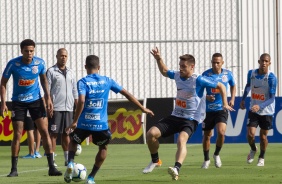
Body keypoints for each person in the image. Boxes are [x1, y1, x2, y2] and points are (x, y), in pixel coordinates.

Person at [142, 47, 235, 180]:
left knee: (181, 140)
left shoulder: (199, 80)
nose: (180, 69)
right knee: (151, 134)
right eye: (180, 66)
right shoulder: (178, 76)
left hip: (190, 119)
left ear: (192, 67)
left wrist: (225, 103)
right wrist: (158, 59)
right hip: (175, 116)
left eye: (184, 66)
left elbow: (221, 86)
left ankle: (176, 168)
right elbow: (164, 71)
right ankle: (155, 160)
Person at [63, 55, 154, 184]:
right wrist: (142, 108)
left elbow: (81, 100)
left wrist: (75, 121)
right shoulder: (107, 81)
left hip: (84, 123)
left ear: (85, 67)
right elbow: (126, 94)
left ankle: (71, 162)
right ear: (99, 67)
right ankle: (91, 177)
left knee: (73, 142)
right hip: (100, 124)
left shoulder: (83, 82)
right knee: (103, 148)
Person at [0, 39, 62, 177]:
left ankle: (52, 167)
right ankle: (14, 169)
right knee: (17, 134)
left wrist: (48, 98)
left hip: (36, 101)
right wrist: (3, 102)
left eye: (31, 51)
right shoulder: (13, 64)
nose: (29, 53)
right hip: (18, 102)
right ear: (21, 51)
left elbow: (44, 79)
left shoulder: (39, 63)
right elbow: (3, 82)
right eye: (27, 51)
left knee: (44, 131)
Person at [240, 53, 277, 167]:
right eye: (262, 61)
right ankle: (253, 149)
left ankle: (262, 157)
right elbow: (248, 85)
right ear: (259, 62)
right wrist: (243, 99)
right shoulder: (251, 73)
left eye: (266, 61)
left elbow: (271, 99)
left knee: (263, 137)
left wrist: (260, 106)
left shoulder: (271, 78)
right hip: (253, 108)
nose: (264, 63)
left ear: (269, 63)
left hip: (267, 110)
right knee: (250, 134)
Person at [201, 53, 236, 169]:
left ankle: (216, 154)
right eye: (213, 62)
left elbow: (233, 85)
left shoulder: (227, 74)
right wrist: (206, 97)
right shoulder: (206, 74)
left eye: (218, 62)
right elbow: (199, 91)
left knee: (221, 132)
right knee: (207, 135)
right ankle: (206, 159)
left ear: (222, 63)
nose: (215, 65)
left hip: (222, 108)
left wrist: (232, 99)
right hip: (208, 110)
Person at [46, 48, 78, 166]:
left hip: (69, 108)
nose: (63, 58)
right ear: (57, 56)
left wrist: (77, 105)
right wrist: (48, 104)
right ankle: (52, 160)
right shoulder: (51, 71)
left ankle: (67, 159)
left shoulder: (71, 72)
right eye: (61, 56)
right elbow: (47, 90)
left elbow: (75, 90)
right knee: (53, 134)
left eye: (65, 56)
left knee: (66, 134)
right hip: (56, 108)